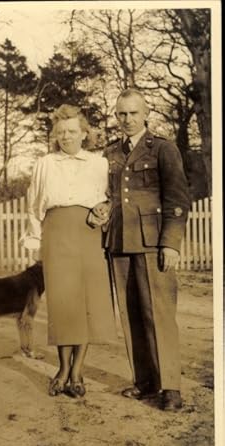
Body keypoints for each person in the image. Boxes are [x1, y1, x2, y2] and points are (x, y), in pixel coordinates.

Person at [91, 89, 190, 411]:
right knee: (131, 313)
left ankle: (171, 387)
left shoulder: (163, 149)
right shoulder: (110, 154)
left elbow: (177, 201)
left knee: (159, 315)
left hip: (152, 242)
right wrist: (102, 209)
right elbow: (106, 194)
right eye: (121, 114)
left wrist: (170, 243)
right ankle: (145, 381)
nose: (127, 120)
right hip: (119, 241)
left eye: (133, 113)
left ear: (145, 114)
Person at [21, 104, 117, 398]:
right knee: (64, 305)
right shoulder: (45, 164)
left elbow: (110, 200)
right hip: (57, 234)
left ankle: (78, 372)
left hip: (89, 236)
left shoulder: (99, 163)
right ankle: (62, 370)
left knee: (86, 303)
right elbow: (34, 206)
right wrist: (35, 243)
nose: (66, 137)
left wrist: (104, 211)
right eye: (61, 132)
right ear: (55, 135)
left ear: (84, 133)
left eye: (72, 131)